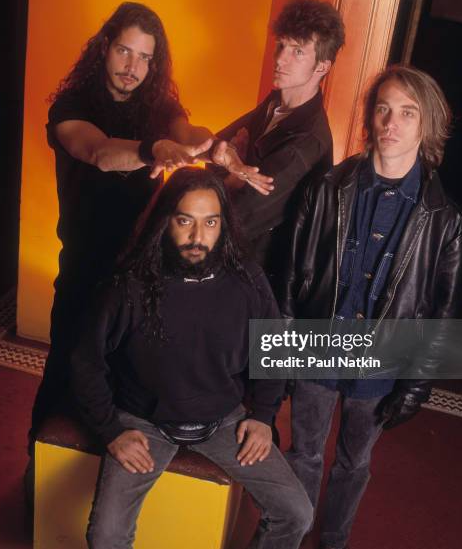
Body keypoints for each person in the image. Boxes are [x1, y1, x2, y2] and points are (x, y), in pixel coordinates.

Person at [30, 1, 269, 439]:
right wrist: (152, 150)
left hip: (139, 268)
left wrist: (214, 147)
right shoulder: (72, 104)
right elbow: (98, 152)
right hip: (86, 265)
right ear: (104, 47)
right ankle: (36, 467)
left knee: (124, 377)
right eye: (124, 51)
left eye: (144, 57)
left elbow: (187, 133)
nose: (132, 66)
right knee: (68, 366)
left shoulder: (158, 104)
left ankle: (107, 464)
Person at [71, 167, 313, 549]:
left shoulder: (247, 280)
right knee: (106, 535)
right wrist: (111, 431)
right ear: (165, 221)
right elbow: (85, 362)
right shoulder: (129, 285)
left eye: (210, 222)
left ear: (224, 225)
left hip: (222, 422)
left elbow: (274, 349)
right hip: (144, 421)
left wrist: (264, 417)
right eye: (185, 221)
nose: (198, 237)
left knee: (297, 513)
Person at [280, 65, 462, 549]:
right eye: (383, 108)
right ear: (370, 117)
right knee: (303, 454)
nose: (392, 122)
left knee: (353, 463)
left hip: (380, 365)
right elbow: (291, 276)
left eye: (408, 113)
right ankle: (293, 535)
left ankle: (333, 542)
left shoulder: (445, 221)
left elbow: (439, 316)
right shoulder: (325, 189)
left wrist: (416, 386)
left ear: (427, 125)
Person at [216, 0, 345, 290]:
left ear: (322, 66)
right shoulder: (276, 102)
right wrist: (233, 165)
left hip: (249, 281)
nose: (279, 58)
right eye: (281, 45)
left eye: (297, 51)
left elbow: (236, 218)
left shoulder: (307, 141)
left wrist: (232, 173)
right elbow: (216, 146)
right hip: (229, 265)